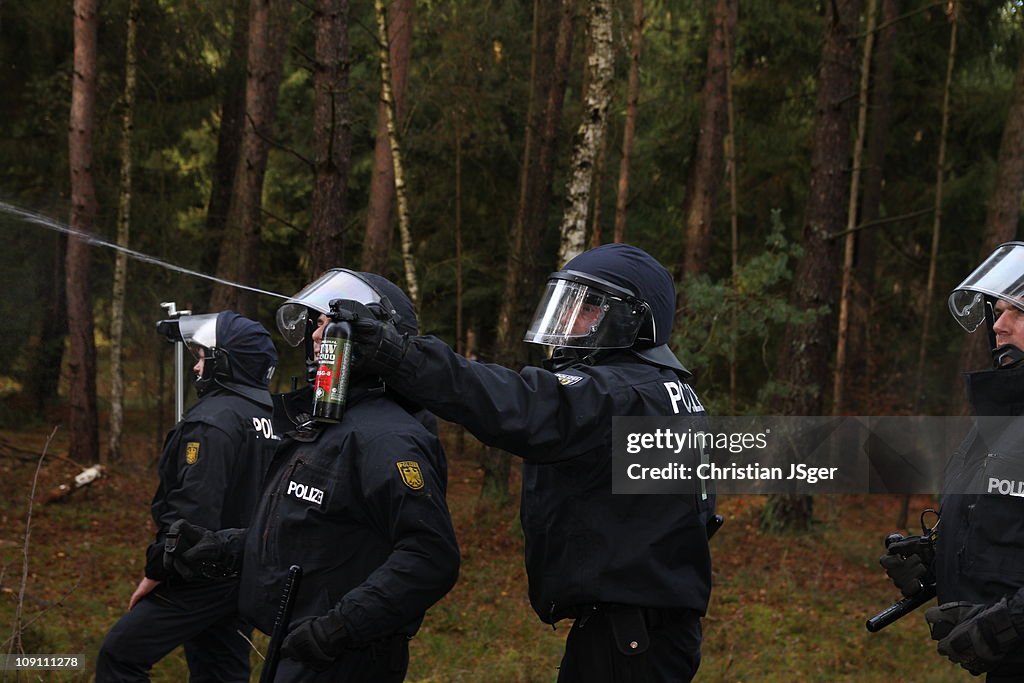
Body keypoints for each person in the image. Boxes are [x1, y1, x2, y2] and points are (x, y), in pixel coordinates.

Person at [347, 243, 714, 682]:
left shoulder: (619, 392)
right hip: (644, 630)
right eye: (566, 304)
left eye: (588, 308)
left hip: (631, 638)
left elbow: (519, 405)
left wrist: (402, 356)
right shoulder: (664, 389)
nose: (567, 321)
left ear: (634, 319)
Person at [164, 270, 459, 683]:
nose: (317, 337)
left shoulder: (387, 437)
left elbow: (431, 556)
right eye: (316, 325)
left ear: (376, 337)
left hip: (347, 657)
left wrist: (339, 628)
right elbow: (312, 533)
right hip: (301, 646)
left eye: (328, 324)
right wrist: (222, 548)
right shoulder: (327, 425)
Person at [96, 311, 279, 682]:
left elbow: (193, 509)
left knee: (120, 655)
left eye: (201, 358)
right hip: (248, 569)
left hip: (203, 572)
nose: (196, 368)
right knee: (220, 670)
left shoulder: (212, 422)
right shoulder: (271, 418)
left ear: (224, 363)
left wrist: (159, 570)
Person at [881, 242, 1024, 680]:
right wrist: (939, 560)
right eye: (997, 311)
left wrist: (1010, 622)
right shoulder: (1001, 416)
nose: (998, 325)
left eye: (1018, 313)